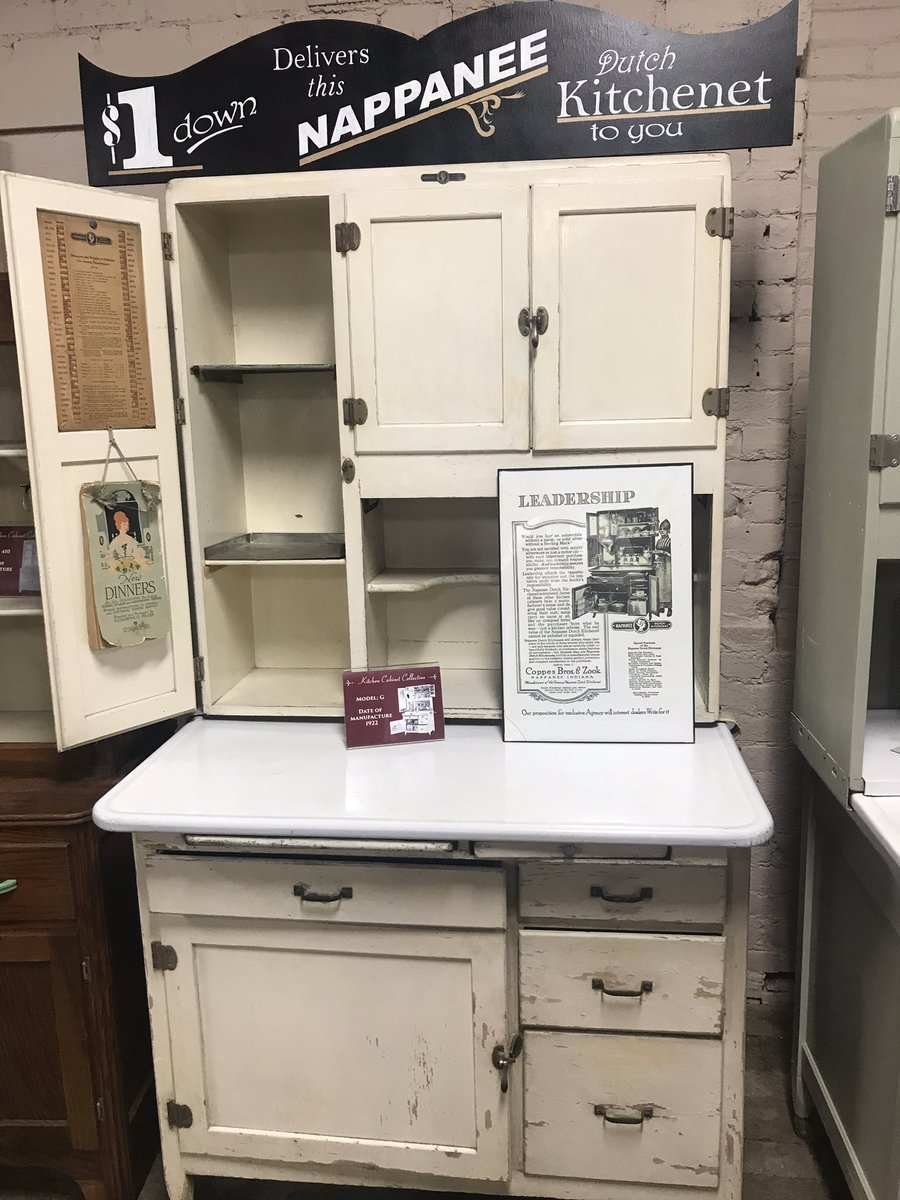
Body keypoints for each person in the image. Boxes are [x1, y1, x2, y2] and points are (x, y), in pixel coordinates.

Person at [654, 518, 672, 615]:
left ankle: (669, 607)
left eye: (664, 529)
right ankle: (661, 606)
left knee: (667, 585)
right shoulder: (658, 541)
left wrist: (665, 552)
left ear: (668, 530)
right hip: (660, 562)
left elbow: (673, 555)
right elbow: (657, 551)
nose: (662, 531)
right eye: (660, 529)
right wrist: (656, 552)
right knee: (659, 584)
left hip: (668, 563)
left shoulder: (670, 541)